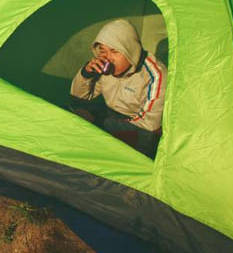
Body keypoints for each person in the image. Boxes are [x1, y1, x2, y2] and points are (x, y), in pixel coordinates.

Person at [69, 19, 166, 157]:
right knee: (73, 113)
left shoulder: (155, 74)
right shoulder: (105, 67)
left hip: (139, 130)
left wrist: (98, 123)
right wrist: (86, 74)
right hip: (111, 117)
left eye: (114, 51)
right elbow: (78, 98)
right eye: (103, 51)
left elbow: (149, 125)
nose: (108, 58)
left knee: (144, 139)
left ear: (129, 49)